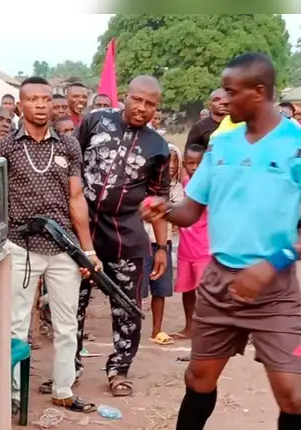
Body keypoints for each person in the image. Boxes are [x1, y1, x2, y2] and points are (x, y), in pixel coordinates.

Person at [122, 53, 301, 430]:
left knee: (291, 394)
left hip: (274, 290)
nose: (223, 98)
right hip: (219, 285)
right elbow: (192, 209)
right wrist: (163, 208)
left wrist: (274, 263)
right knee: (199, 378)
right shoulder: (222, 145)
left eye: (232, 91)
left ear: (261, 92)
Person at [0, 77, 102, 414]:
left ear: (56, 106)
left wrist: (88, 250)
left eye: (45, 100)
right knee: (16, 324)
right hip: (20, 244)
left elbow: (76, 198)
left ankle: (63, 390)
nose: (40, 105)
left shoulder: (68, 145)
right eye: (32, 99)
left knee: (67, 324)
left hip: (62, 246)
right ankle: (12, 394)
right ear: (20, 105)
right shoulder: (4, 147)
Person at [74, 75, 170, 397]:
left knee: (127, 307)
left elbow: (158, 201)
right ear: (125, 97)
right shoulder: (95, 121)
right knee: (73, 304)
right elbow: (73, 168)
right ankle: (68, 369)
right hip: (82, 231)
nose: (142, 108)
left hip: (125, 235)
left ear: (157, 106)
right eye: (137, 99)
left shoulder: (158, 147)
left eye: (150, 103)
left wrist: (161, 248)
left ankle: (119, 370)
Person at [143, 144, 184, 346]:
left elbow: (177, 212)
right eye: (167, 163)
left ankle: (156, 330)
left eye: (174, 163)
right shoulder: (143, 186)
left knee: (160, 290)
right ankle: (129, 327)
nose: (170, 167)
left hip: (162, 243)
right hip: (142, 242)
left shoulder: (176, 189)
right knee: (137, 290)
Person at [172, 144, 208, 339]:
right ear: (184, 164)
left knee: (206, 293)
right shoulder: (183, 184)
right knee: (187, 291)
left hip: (205, 249)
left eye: (199, 164)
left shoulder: (211, 187)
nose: (195, 168)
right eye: (191, 163)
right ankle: (190, 326)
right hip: (186, 249)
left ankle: (207, 329)